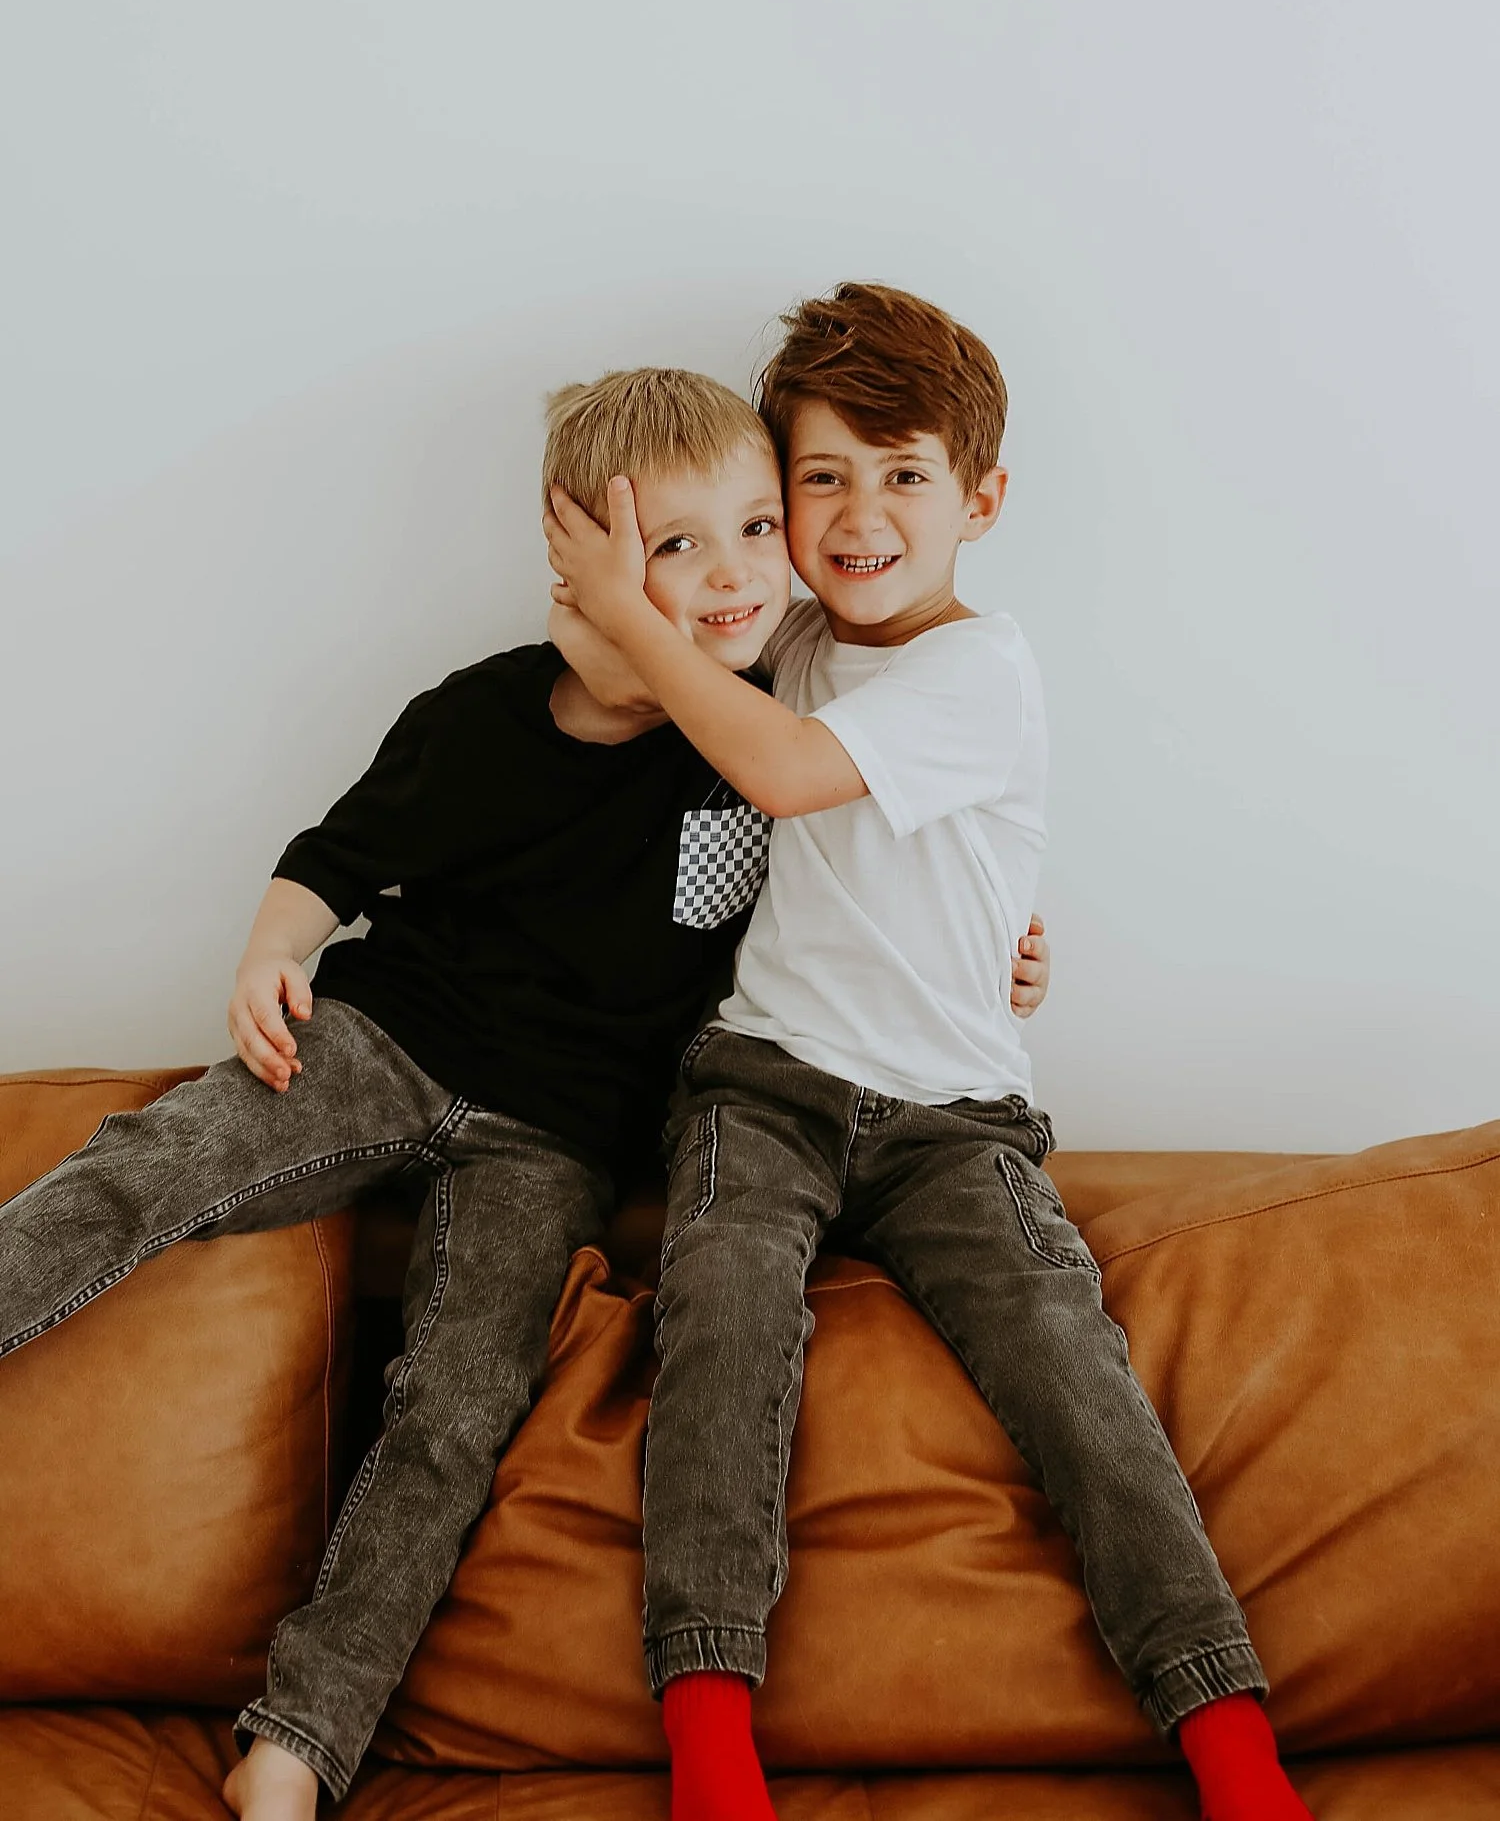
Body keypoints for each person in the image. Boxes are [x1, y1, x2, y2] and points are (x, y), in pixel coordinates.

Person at [2, 370, 1031, 1820]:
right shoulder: (484, 714)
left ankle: (294, 1746)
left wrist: (1006, 950)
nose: (736, 571)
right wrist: (269, 950)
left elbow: (881, 900)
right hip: (391, 1038)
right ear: (585, 565)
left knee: (455, 1409)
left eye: (753, 526)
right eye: (676, 546)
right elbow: (335, 855)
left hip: (555, 1138)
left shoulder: (776, 741)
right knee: (157, 1161)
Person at [544, 282, 1313, 1821]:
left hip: (957, 1113)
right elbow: (652, 696)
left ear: (983, 498)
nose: (858, 514)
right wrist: (631, 588)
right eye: (818, 478)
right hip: (762, 1083)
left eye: (903, 475)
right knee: (725, 1312)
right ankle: (711, 1746)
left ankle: (1231, 1748)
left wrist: (637, 618)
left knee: (1066, 1359)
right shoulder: (788, 636)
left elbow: (774, 768)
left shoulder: (981, 667)